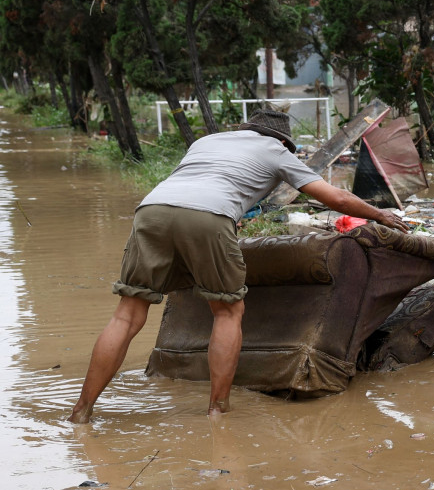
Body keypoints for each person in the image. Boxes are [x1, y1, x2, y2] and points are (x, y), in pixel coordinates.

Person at [68, 110, 410, 423]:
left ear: (246, 129)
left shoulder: (208, 141)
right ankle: (217, 409)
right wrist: (381, 214)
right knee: (227, 311)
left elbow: (202, 184)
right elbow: (333, 198)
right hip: (209, 215)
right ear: (281, 141)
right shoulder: (276, 152)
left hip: (152, 210)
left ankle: (82, 411)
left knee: (126, 315)